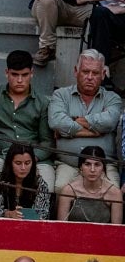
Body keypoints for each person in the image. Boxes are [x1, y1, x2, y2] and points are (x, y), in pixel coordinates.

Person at [0, 51, 56, 188]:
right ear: (6, 72)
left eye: (24, 75)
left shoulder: (42, 102)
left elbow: (47, 142)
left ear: (32, 73)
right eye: (15, 75)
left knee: (47, 188)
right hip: (2, 157)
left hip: (35, 159)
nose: (20, 80)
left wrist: (31, 159)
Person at [48, 49, 123, 187]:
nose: (89, 77)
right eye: (85, 71)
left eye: (95, 73)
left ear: (103, 74)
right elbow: (57, 122)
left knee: (114, 193)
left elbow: (109, 122)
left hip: (104, 165)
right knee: (60, 187)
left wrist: (72, 123)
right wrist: (96, 130)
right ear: (76, 71)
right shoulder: (61, 95)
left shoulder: (112, 98)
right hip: (68, 164)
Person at [57, 146, 123, 224]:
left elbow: (116, 230)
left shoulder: (115, 193)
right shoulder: (68, 191)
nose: (92, 169)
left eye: (97, 164)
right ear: (81, 167)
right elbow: (61, 227)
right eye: (87, 164)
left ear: (103, 168)